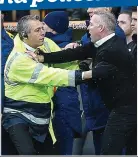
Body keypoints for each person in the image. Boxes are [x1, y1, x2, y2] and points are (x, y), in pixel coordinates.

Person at [30, 11, 136, 155]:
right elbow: (74, 53)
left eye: (91, 24)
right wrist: (44, 58)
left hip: (125, 110)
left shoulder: (112, 50)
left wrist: (70, 75)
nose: (88, 28)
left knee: (110, 151)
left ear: (101, 28)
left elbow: (96, 74)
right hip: (119, 108)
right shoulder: (102, 44)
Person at [2, 15, 93, 155]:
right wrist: (85, 75)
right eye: (37, 30)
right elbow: (52, 75)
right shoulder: (19, 59)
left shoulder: (46, 43)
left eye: (42, 28)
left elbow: (62, 63)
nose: (43, 32)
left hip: (43, 115)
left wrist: (83, 65)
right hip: (18, 115)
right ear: (24, 35)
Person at [43, 11, 82, 155]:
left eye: (44, 24)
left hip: (62, 110)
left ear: (53, 28)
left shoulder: (67, 49)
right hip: (62, 109)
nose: (41, 27)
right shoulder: (54, 45)